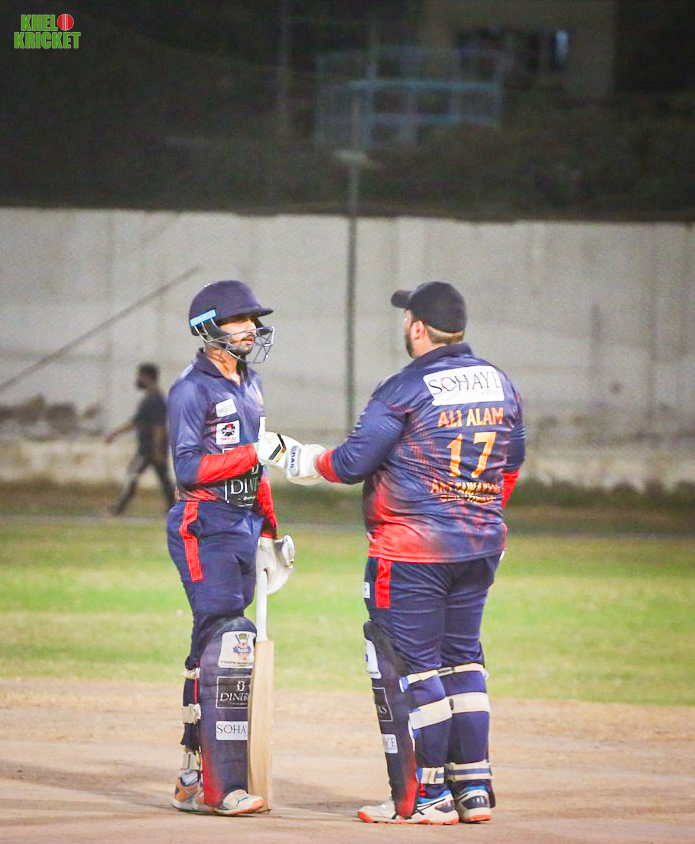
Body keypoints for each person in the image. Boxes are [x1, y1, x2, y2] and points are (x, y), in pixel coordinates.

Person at [279, 281, 525, 825]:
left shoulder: (405, 387)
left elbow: (351, 463)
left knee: (416, 669)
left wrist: (301, 460)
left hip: (412, 551)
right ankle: (473, 789)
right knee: (464, 661)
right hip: (480, 546)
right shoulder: (498, 382)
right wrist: (477, 516)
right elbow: (511, 464)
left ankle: (428, 798)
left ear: (416, 327)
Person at [165, 280, 295, 817]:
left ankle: (195, 777)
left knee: (214, 645)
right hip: (204, 522)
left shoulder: (251, 383)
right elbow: (188, 468)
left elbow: (256, 467)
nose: (251, 329)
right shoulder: (190, 390)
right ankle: (215, 784)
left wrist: (269, 530)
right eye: (240, 320)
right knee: (225, 636)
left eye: (253, 320)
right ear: (208, 328)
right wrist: (253, 452)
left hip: (242, 524)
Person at [105, 362, 175, 514]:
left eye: (140, 376)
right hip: (152, 448)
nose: (137, 380)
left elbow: (158, 427)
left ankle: (120, 508)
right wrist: (115, 433)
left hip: (149, 449)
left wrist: (157, 449)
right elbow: (136, 421)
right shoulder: (150, 398)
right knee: (162, 478)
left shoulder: (155, 400)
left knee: (133, 474)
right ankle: (174, 507)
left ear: (147, 377)